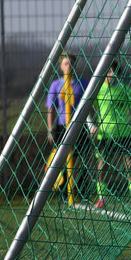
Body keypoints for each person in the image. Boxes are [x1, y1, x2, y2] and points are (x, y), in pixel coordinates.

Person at [89, 60, 131, 209]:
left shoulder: (125, 89)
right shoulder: (98, 90)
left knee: (130, 165)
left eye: (115, 72)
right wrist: (91, 125)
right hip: (105, 135)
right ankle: (102, 198)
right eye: (109, 72)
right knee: (102, 166)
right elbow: (87, 108)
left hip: (124, 134)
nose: (112, 75)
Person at [45, 51, 90, 206]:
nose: (69, 66)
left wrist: (91, 125)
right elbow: (51, 109)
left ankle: (82, 194)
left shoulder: (83, 84)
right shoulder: (56, 85)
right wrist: (51, 130)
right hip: (62, 127)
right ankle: (64, 196)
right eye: (66, 63)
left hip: (80, 128)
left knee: (82, 161)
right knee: (62, 161)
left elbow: (89, 108)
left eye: (71, 63)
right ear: (61, 66)